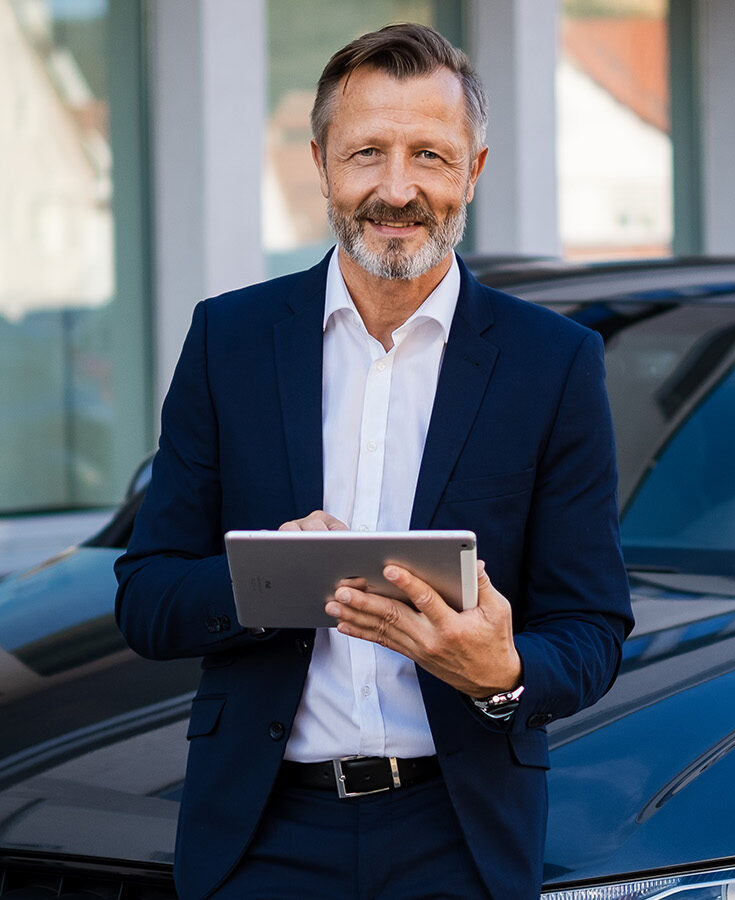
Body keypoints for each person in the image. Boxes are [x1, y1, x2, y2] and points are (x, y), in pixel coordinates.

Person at [115, 23, 632, 900]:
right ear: (320, 163)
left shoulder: (555, 364)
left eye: (429, 154)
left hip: (458, 837)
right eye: (367, 153)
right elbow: (148, 596)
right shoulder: (228, 342)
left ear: (472, 170)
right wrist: (271, 580)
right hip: (261, 837)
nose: (397, 189)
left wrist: (503, 672)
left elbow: (591, 628)